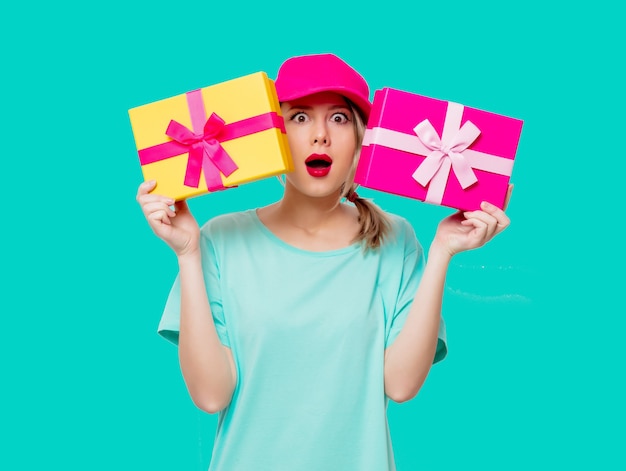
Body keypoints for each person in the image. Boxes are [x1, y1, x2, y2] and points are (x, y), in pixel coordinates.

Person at [136, 53, 512, 470]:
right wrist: (188, 254)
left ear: (360, 139)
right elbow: (211, 395)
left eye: (338, 118)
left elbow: (401, 385)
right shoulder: (221, 239)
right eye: (299, 118)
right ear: (275, 136)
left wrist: (442, 250)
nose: (320, 136)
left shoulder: (397, 238)